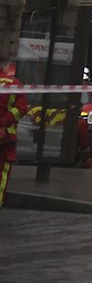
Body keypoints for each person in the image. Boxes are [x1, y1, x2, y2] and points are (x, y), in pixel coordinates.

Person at [1, 61, 27, 210]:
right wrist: (3, 124)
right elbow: (20, 109)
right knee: (2, 173)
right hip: (4, 137)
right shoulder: (14, 84)